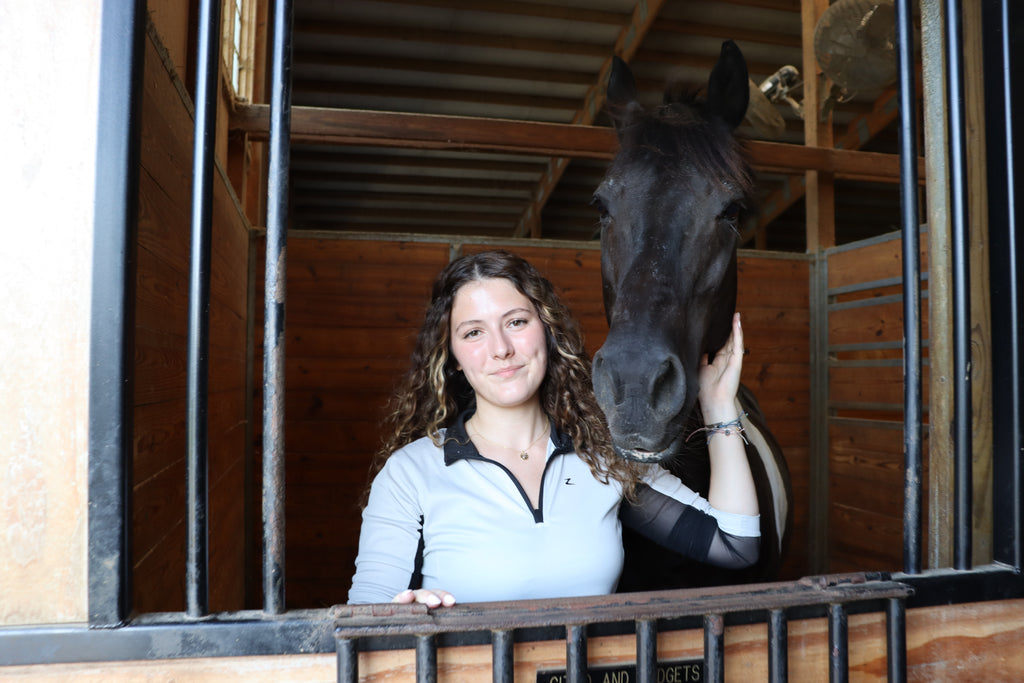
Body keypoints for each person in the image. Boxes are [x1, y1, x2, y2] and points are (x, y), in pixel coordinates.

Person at [347, 250, 759, 607]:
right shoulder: (409, 473)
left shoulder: (602, 457)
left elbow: (734, 544)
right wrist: (404, 611)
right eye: (474, 332)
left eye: (516, 322)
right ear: (453, 356)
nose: (501, 349)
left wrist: (717, 403)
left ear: (546, 329)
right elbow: (366, 616)